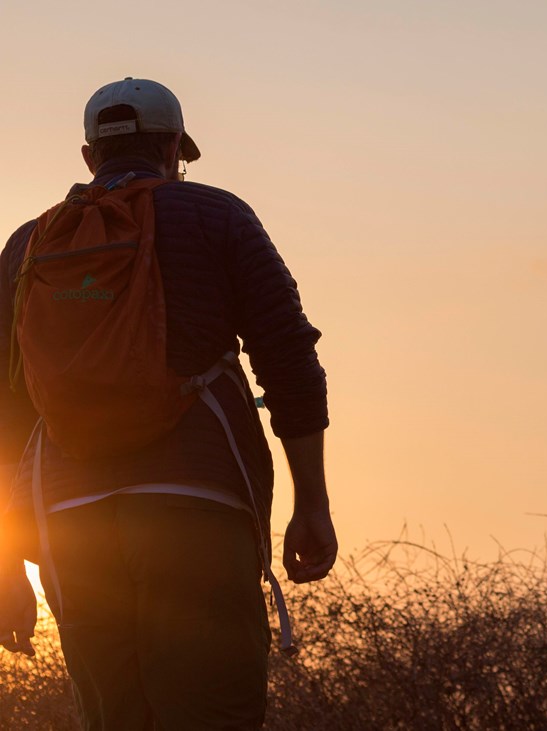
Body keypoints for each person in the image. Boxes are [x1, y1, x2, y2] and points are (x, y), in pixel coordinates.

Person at [0, 77, 335, 730]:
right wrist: (312, 504)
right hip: (197, 505)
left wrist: (7, 561)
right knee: (212, 711)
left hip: (70, 524)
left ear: (89, 156)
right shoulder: (217, 217)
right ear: (174, 146)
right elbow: (290, 360)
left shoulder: (29, 246)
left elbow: (6, 411)